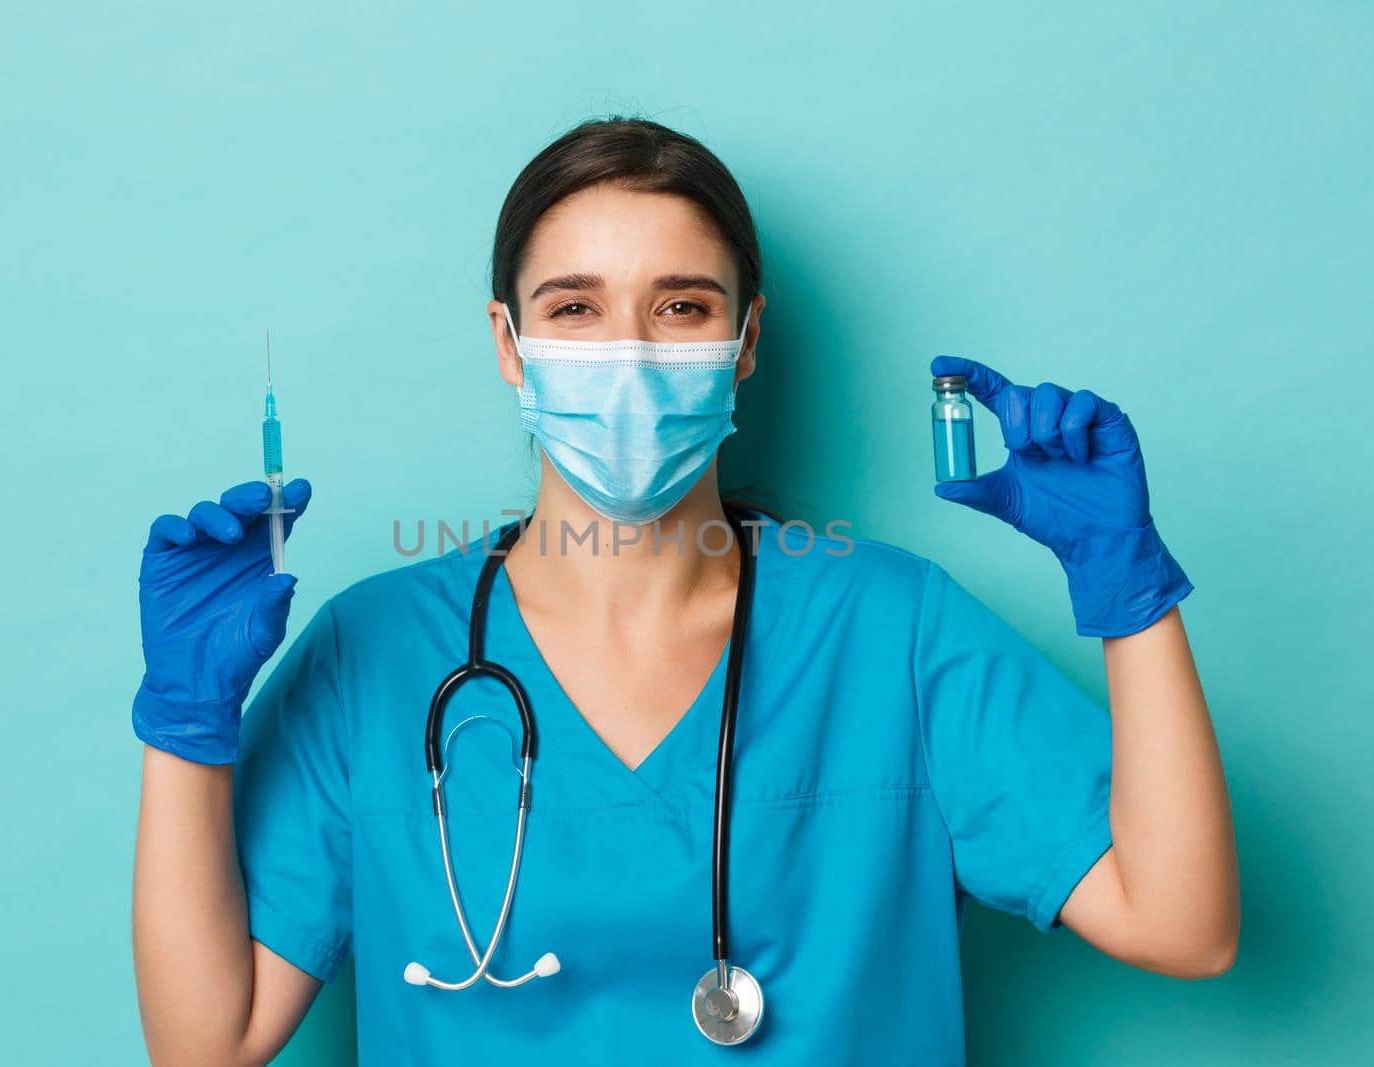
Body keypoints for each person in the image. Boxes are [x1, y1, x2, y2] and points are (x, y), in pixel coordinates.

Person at [129, 117, 1238, 1066]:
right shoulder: (369, 653)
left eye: (680, 307)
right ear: (507, 345)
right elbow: (207, 1039)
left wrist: (1127, 588)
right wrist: (185, 721)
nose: (627, 355)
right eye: (572, 309)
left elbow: (1184, 924)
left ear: (746, 339)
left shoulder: (891, 631)